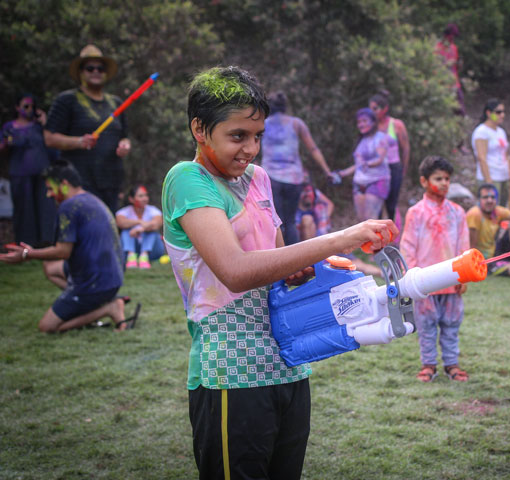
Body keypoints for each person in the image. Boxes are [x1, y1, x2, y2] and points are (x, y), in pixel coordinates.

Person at [161, 66, 397, 480]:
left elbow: (277, 260)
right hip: (231, 373)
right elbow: (235, 271)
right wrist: (339, 238)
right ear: (199, 128)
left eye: (257, 137)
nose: (250, 149)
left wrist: (305, 269)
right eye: (237, 136)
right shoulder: (187, 179)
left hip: (290, 363)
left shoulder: (259, 180)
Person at [0, 161, 136, 332]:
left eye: (50, 188)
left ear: (64, 184)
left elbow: (63, 251)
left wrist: (28, 254)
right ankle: (90, 303)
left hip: (95, 283)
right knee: (50, 268)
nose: (49, 194)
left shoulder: (69, 207)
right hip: (112, 277)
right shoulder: (90, 198)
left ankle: (108, 308)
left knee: (47, 327)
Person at [400, 155, 470, 382]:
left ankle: (452, 365)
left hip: (452, 280)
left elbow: (463, 245)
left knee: (451, 325)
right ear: (424, 181)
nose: (443, 183)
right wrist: (411, 277)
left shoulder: (458, 212)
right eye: (438, 178)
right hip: (424, 283)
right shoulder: (416, 213)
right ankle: (428, 365)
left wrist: (464, 274)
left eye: (447, 179)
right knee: (426, 326)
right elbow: (408, 246)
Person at [44, 44, 131, 213]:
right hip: (79, 182)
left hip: (110, 180)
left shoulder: (116, 103)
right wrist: (79, 141)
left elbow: (124, 136)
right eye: (90, 68)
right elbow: (49, 137)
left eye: (100, 68)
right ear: (81, 72)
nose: (96, 71)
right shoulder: (67, 100)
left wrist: (125, 146)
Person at [261, 91, 335, 245]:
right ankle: (295, 263)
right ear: (285, 107)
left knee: (276, 221)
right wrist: (327, 171)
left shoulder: (263, 124)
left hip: (270, 177)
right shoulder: (296, 124)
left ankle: (280, 262)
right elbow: (313, 149)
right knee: (290, 221)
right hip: (294, 178)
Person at [0, 93, 56, 247]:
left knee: (46, 207)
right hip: (20, 173)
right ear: (17, 107)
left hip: (43, 173)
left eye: (32, 106)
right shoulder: (9, 128)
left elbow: (52, 143)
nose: (30, 109)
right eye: (26, 106)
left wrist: (45, 123)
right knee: (24, 209)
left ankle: (47, 242)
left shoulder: (39, 126)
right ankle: (26, 244)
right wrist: (7, 143)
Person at [337, 108, 391, 220]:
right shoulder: (361, 141)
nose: (361, 124)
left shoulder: (381, 137)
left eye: (364, 121)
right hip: (359, 183)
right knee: (362, 221)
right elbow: (358, 165)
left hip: (377, 181)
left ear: (373, 122)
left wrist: (367, 164)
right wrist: (341, 174)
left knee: (371, 219)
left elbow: (379, 159)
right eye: (359, 122)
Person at [369, 90, 410, 222]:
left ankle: (392, 235)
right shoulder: (370, 126)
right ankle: (378, 236)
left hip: (393, 168)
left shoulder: (396, 125)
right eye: (370, 109)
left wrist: (403, 169)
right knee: (377, 206)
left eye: (375, 108)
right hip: (377, 170)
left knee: (391, 204)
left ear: (384, 108)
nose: (372, 112)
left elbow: (405, 148)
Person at [471, 98, 510, 206]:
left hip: (503, 175)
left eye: (503, 112)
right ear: (488, 113)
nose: (502, 115)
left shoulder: (501, 132)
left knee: (502, 208)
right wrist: (488, 180)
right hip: (491, 176)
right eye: (498, 112)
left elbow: (505, 154)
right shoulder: (481, 132)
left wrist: (509, 174)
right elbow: (481, 157)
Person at [115, 184, 164, 268]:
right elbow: (120, 223)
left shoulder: (153, 210)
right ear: (131, 199)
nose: (145, 198)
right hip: (130, 249)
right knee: (126, 231)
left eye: (146, 195)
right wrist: (139, 222)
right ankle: (131, 256)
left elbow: (157, 224)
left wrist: (142, 229)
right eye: (141, 196)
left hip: (153, 251)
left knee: (152, 231)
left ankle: (144, 256)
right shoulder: (123, 212)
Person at [434, 22, 464, 115]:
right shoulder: (437, 48)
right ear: (446, 35)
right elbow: (435, 67)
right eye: (452, 36)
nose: (453, 39)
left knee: (460, 108)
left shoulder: (454, 48)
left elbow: (456, 68)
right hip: (442, 84)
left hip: (454, 84)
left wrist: (459, 64)